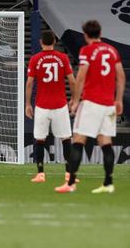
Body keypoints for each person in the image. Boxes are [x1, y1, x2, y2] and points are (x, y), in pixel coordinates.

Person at [56, 20, 125, 194]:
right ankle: (108, 183)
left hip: (91, 103)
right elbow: (121, 76)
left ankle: (70, 183)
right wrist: (119, 100)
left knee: (79, 141)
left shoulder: (87, 51)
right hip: (108, 105)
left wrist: (76, 100)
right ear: (100, 33)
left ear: (86, 35)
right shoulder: (112, 50)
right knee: (106, 143)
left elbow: (81, 77)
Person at [25, 30, 76, 183]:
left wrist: (28, 104)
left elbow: (29, 84)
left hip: (42, 105)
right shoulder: (63, 57)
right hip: (60, 105)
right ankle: (69, 174)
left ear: (41, 42)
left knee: (40, 139)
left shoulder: (35, 59)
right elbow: (72, 81)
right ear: (54, 41)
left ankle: (40, 174)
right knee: (66, 139)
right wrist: (73, 98)